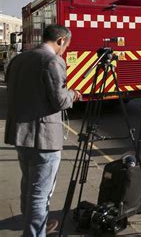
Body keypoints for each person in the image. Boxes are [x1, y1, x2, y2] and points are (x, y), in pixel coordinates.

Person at [4, 24, 80, 237]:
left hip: (21, 135)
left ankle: (36, 226)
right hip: (44, 139)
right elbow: (59, 101)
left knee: (28, 188)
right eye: (66, 45)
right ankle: (35, 233)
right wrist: (73, 94)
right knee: (40, 195)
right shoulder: (53, 61)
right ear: (60, 40)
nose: (64, 50)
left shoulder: (18, 60)